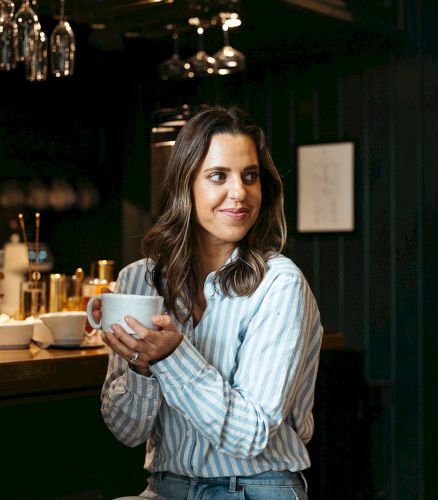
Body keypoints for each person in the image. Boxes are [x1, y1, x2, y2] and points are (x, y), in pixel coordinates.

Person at [97, 106, 323, 499]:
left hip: (257, 487)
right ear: (186, 186)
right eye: (219, 176)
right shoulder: (137, 281)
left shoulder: (280, 284)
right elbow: (127, 431)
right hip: (166, 488)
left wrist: (171, 357)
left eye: (249, 177)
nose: (240, 192)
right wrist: (143, 367)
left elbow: (250, 435)